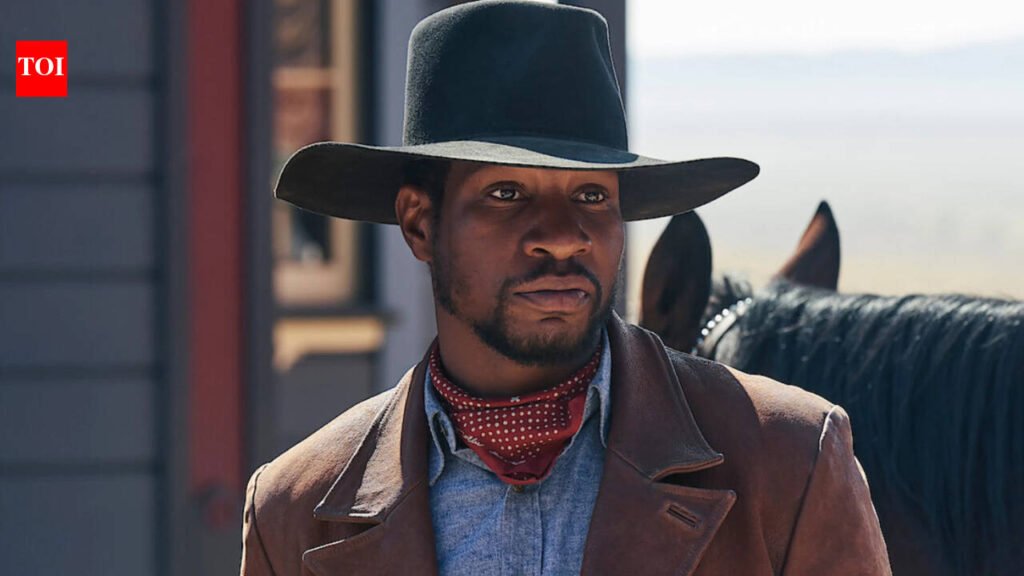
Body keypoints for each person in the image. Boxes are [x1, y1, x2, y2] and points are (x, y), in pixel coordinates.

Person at [240, 1, 890, 574]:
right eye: (506, 193)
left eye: (591, 196)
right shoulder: (294, 512)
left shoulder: (789, 460)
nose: (561, 236)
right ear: (420, 223)